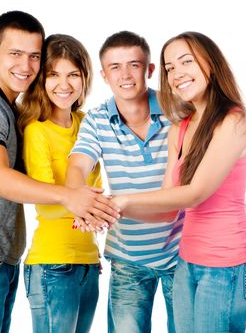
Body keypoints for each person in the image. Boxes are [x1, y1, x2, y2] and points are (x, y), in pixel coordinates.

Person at [0, 11, 119, 333]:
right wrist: (72, 197)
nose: (25, 66)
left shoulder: (10, 110)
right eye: (15, 54)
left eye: (33, 57)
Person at [110, 31, 246, 332]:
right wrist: (109, 210)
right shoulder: (179, 129)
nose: (177, 73)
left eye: (186, 62)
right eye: (169, 68)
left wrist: (123, 200)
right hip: (186, 261)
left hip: (226, 265)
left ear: (212, 64)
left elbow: (194, 194)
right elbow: (168, 206)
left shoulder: (234, 121)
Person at [66, 31, 183, 333]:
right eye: (115, 67)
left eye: (134, 64)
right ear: (104, 75)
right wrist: (79, 196)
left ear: (150, 70)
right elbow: (78, 164)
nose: (125, 74)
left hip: (182, 253)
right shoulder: (97, 120)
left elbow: (211, 169)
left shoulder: (179, 110)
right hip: (128, 257)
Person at [17, 34, 101, 333]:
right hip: (53, 264)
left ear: (85, 78)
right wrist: (87, 210)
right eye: (53, 75)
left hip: (89, 261)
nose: (63, 85)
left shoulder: (86, 123)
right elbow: (45, 202)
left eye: (73, 75)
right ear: (41, 79)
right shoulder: (37, 130)